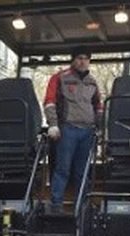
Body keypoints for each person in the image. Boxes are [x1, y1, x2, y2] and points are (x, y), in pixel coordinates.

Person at [43, 48, 103, 213]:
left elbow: (98, 106)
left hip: (88, 132)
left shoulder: (92, 82)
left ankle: (81, 206)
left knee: (82, 172)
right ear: (73, 60)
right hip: (67, 129)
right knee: (62, 169)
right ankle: (56, 205)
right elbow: (49, 101)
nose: (83, 61)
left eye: (86, 58)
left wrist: (100, 127)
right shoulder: (60, 78)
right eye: (79, 58)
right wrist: (53, 124)